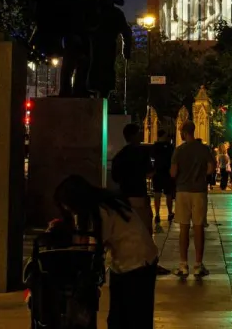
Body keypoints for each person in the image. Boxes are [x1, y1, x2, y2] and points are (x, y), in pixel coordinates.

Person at [54, 174, 159, 329]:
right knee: (123, 316)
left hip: (137, 263)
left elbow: (93, 244)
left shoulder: (102, 211)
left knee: (132, 317)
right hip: (131, 262)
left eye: (69, 207)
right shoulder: (107, 203)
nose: (68, 211)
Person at [169, 120, 215, 278]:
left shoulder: (179, 150)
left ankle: (183, 265)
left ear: (183, 132)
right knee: (198, 227)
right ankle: (198, 264)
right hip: (199, 191)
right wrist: (200, 174)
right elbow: (211, 168)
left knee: (183, 228)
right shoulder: (203, 149)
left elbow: (173, 173)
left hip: (182, 191)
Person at [110, 123, 154, 234]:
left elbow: (115, 177)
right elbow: (150, 172)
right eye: (139, 133)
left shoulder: (119, 155)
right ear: (134, 136)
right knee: (144, 229)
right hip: (139, 195)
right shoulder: (142, 152)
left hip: (124, 197)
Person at [149, 132, 176, 225]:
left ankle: (157, 214)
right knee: (168, 194)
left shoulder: (155, 146)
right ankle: (169, 213)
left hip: (157, 173)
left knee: (157, 194)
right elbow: (173, 159)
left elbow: (151, 158)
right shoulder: (170, 147)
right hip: (167, 174)